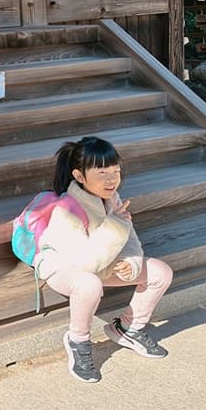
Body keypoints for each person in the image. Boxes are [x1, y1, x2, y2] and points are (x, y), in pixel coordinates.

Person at [36, 136, 173, 383]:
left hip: (101, 262)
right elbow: (84, 264)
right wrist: (115, 225)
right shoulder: (67, 208)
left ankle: (129, 328)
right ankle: (78, 341)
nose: (112, 179)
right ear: (79, 176)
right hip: (63, 268)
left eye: (116, 171)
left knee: (160, 272)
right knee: (89, 284)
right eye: (102, 173)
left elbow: (130, 240)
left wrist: (131, 263)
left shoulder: (112, 198)